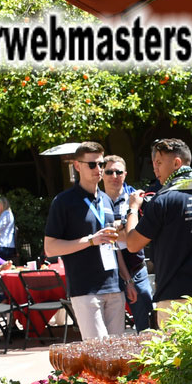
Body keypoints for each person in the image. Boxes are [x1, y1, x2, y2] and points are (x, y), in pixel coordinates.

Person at [123, 139, 192, 312]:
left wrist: (133, 208)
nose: (155, 168)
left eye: (159, 162)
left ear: (176, 163)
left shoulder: (162, 200)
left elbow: (132, 244)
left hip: (174, 298)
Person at [43, 142, 137, 340]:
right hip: (86, 289)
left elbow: (112, 245)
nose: (99, 170)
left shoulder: (105, 199)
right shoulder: (63, 202)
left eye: (101, 164)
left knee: (116, 354)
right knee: (98, 354)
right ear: (77, 166)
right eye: (92, 165)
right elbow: (50, 249)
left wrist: (127, 280)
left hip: (114, 286)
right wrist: (90, 240)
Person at [102, 155, 155, 331]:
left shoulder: (136, 198)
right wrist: (123, 229)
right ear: (102, 173)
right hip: (108, 271)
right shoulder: (96, 200)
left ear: (125, 174)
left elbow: (137, 235)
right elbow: (97, 235)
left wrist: (110, 232)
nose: (114, 176)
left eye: (118, 172)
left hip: (136, 267)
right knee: (110, 327)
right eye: (109, 172)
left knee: (146, 321)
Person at [0, 196, 17, 263]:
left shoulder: (6, 214)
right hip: (4, 247)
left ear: (3, 206)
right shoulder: (4, 215)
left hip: (5, 247)